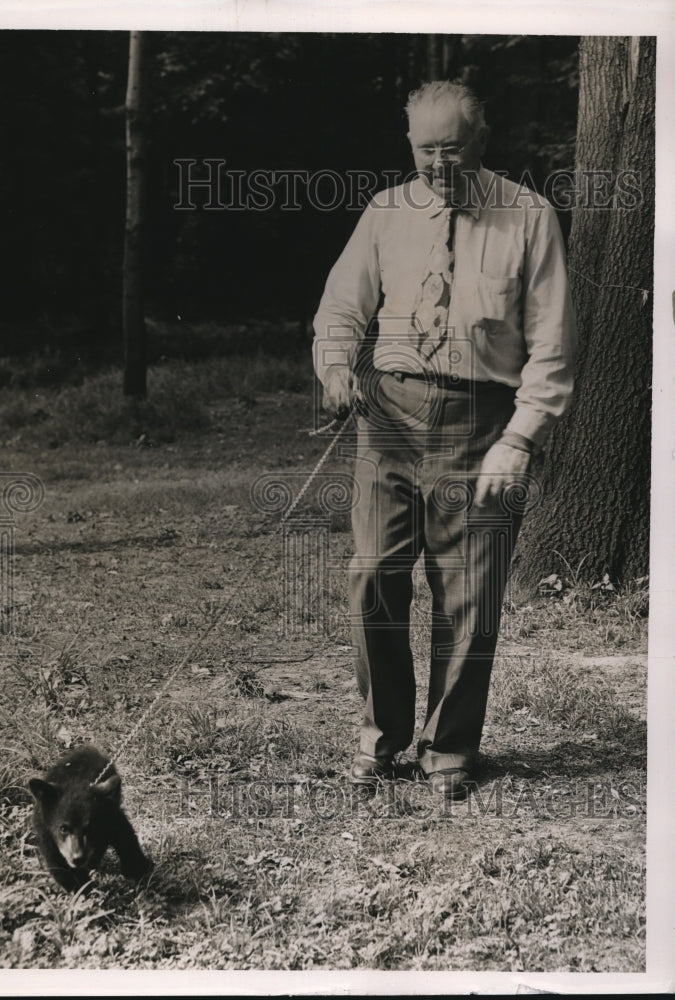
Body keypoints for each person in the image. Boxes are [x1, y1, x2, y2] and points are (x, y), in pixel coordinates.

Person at [312, 80, 577, 799]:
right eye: (425, 150)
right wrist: (336, 369)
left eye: (452, 149)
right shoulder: (384, 212)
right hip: (387, 417)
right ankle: (381, 738)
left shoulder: (527, 216)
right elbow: (340, 307)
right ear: (408, 146)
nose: (438, 164)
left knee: (469, 592)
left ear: (481, 143)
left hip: (481, 423)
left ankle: (450, 747)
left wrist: (518, 439)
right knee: (372, 576)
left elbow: (553, 347)